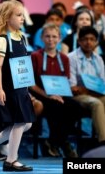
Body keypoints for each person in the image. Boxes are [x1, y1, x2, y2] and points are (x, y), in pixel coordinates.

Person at [0, 0, 35, 172]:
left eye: (22, 15)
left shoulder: (22, 37)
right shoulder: (3, 40)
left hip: (21, 87)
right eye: (18, 15)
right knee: (20, 123)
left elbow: (23, 64)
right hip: (10, 88)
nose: (22, 18)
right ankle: (11, 160)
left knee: (27, 124)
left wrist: (27, 87)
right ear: (7, 17)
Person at [30, 23, 81, 158]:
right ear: (41, 38)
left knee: (76, 107)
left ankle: (53, 141)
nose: (51, 40)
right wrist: (48, 95)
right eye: (47, 36)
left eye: (54, 37)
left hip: (60, 94)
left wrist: (59, 94)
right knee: (57, 107)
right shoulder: (35, 56)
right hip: (41, 95)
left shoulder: (64, 58)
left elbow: (65, 81)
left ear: (59, 38)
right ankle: (63, 144)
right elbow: (30, 84)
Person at [68, 26, 105, 146]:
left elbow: (102, 84)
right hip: (78, 97)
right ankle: (103, 142)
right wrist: (88, 90)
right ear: (79, 41)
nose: (88, 42)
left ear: (96, 42)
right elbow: (73, 87)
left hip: (94, 93)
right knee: (96, 103)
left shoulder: (99, 59)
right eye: (85, 39)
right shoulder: (71, 58)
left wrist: (88, 89)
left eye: (92, 39)